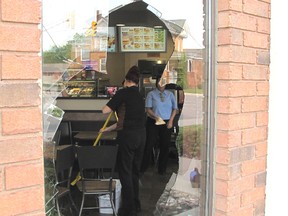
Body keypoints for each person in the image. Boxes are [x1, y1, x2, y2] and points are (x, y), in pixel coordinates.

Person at [102, 65, 146, 216]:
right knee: (134, 171)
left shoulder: (123, 93)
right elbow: (123, 120)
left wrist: (114, 99)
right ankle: (136, 204)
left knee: (125, 172)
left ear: (126, 81)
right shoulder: (140, 96)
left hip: (128, 137)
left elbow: (105, 110)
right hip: (141, 137)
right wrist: (107, 129)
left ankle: (128, 209)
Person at [140, 77, 178, 175]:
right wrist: (156, 117)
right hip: (153, 121)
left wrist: (171, 121)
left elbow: (175, 109)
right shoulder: (151, 94)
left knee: (165, 146)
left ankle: (162, 170)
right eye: (160, 83)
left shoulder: (170, 94)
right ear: (156, 84)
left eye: (163, 83)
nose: (161, 85)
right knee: (149, 145)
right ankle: (143, 168)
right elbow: (148, 109)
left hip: (166, 122)